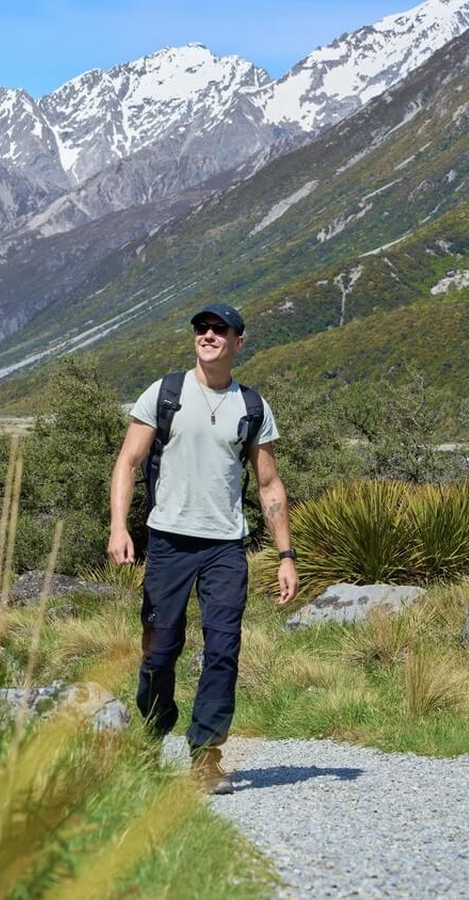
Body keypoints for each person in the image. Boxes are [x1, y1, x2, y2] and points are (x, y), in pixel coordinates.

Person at [107, 302, 299, 794]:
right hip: (168, 541)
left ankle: (206, 756)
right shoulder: (165, 393)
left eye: (219, 329)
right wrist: (119, 528)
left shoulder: (253, 406)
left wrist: (285, 557)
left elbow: (270, 484)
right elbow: (128, 463)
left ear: (239, 341)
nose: (208, 335)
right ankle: (151, 737)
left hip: (224, 548)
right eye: (201, 328)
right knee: (159, 652)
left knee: (223, 650)